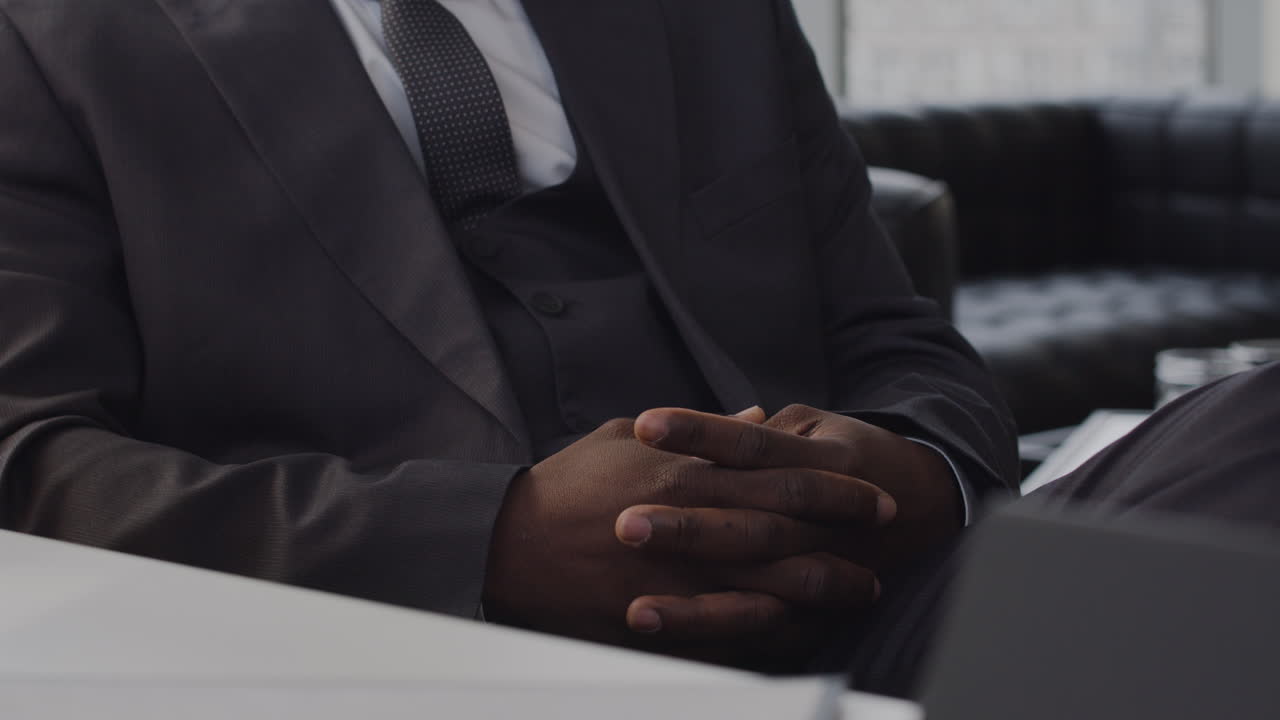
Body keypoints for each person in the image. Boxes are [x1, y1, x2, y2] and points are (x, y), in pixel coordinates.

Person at [0, 0, 1014, 681]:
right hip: (389, 666)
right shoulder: (42, 36)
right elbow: (31, 463)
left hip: (855, 623)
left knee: (1123, 525)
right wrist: (489, 541)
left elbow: (893, 336)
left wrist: (923, 471)